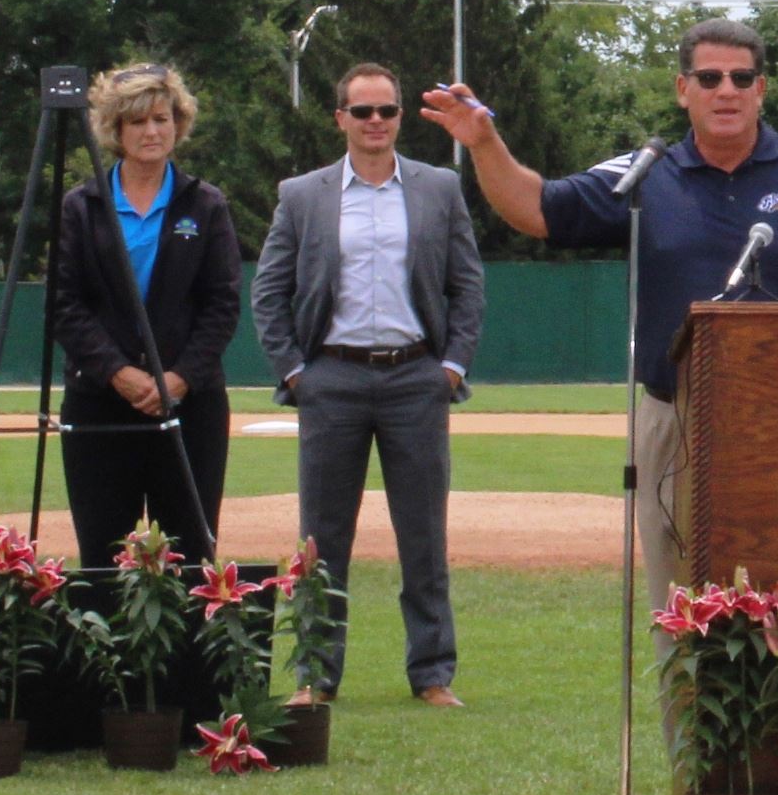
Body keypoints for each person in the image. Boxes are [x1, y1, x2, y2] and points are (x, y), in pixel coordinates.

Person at [420, 18, 778, 679]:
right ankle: (696, 776)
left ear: (760, 89)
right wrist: (485, 142)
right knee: (683, 608)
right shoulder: (646, 175)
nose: (725, 90)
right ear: (681, 89)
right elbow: (537, 209)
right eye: (708, 78)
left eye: (740, 77)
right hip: (674, 417)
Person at [251, 62, 485, 708]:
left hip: (416, 376)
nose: (375, 122)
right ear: (341, 119)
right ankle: (315, 677)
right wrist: (295, 371)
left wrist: (452, 365)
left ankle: (433, 673)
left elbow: (466, 286)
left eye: (386, 110)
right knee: (321, 537)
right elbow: (267, 291)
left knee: (424, 535)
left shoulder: (439, 189)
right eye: (362, 112)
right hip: (332, 377)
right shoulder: (303, 195)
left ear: (401, 117)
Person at [54, 62, 241, 567]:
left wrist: (177, 379)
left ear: (177, 123)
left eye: (161, 118)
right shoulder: (80, 206)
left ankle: (188, 651)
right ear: (115, 130)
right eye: (137, 121)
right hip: (99, 403)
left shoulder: (205, 205)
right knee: (102, 558)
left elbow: (222, 305)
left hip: (189, 404)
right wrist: (119, 373)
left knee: (190, 557)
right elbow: (65, 305)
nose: (152, 131)